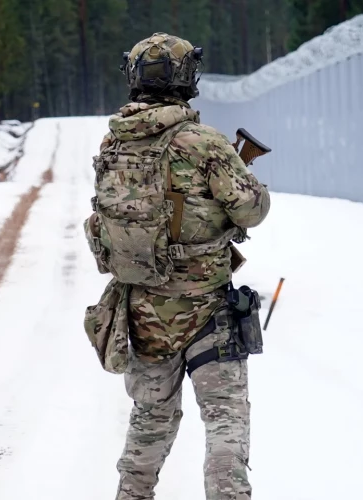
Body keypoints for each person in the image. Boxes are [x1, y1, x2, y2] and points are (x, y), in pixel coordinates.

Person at [83, 32, 271, 500]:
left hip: (144, 310)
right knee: (225, 422)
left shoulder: (114, 142)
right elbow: (251, 211)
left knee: (150, 419)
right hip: (209, 310)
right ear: (188, 79)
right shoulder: (204, 142)